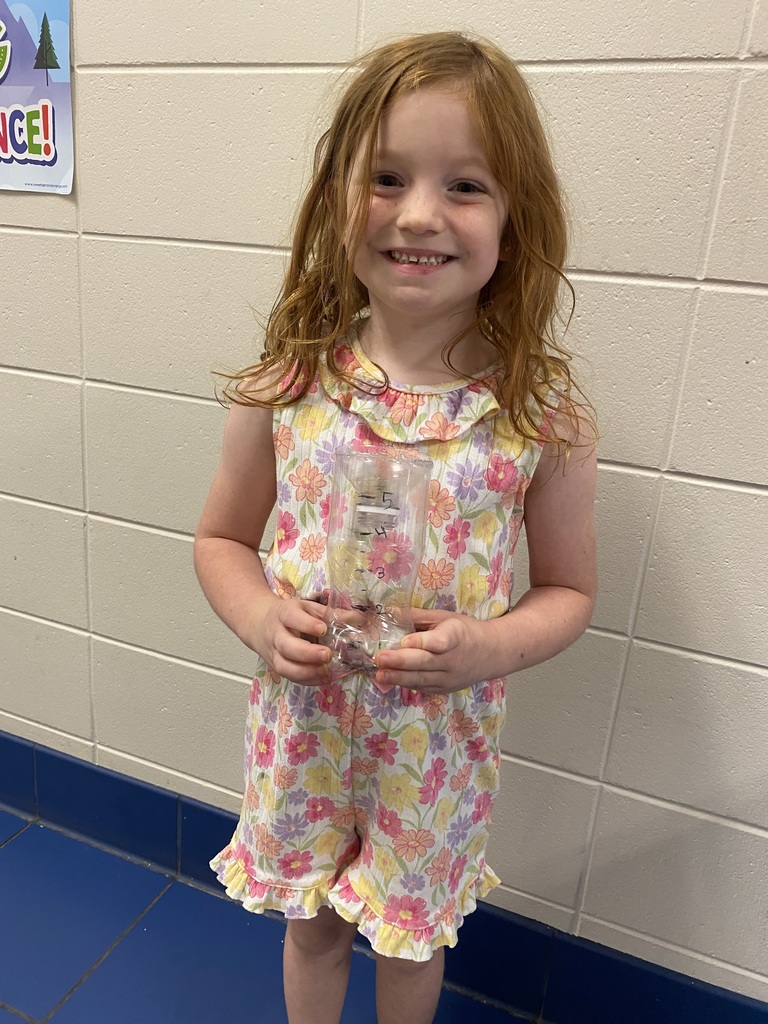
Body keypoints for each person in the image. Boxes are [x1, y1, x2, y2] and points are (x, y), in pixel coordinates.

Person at [194, 31, 597, 1024]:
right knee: (315, 924)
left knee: (409, 938)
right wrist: (257, 620)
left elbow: (571, 591)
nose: (418, 213)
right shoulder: (289, 381)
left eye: (465, 185)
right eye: (385, 177)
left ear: (515, 217)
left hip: (439, 743)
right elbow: (220, 540)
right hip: (307, 729)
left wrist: (495, 643)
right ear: (337, 198)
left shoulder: (541, 418)